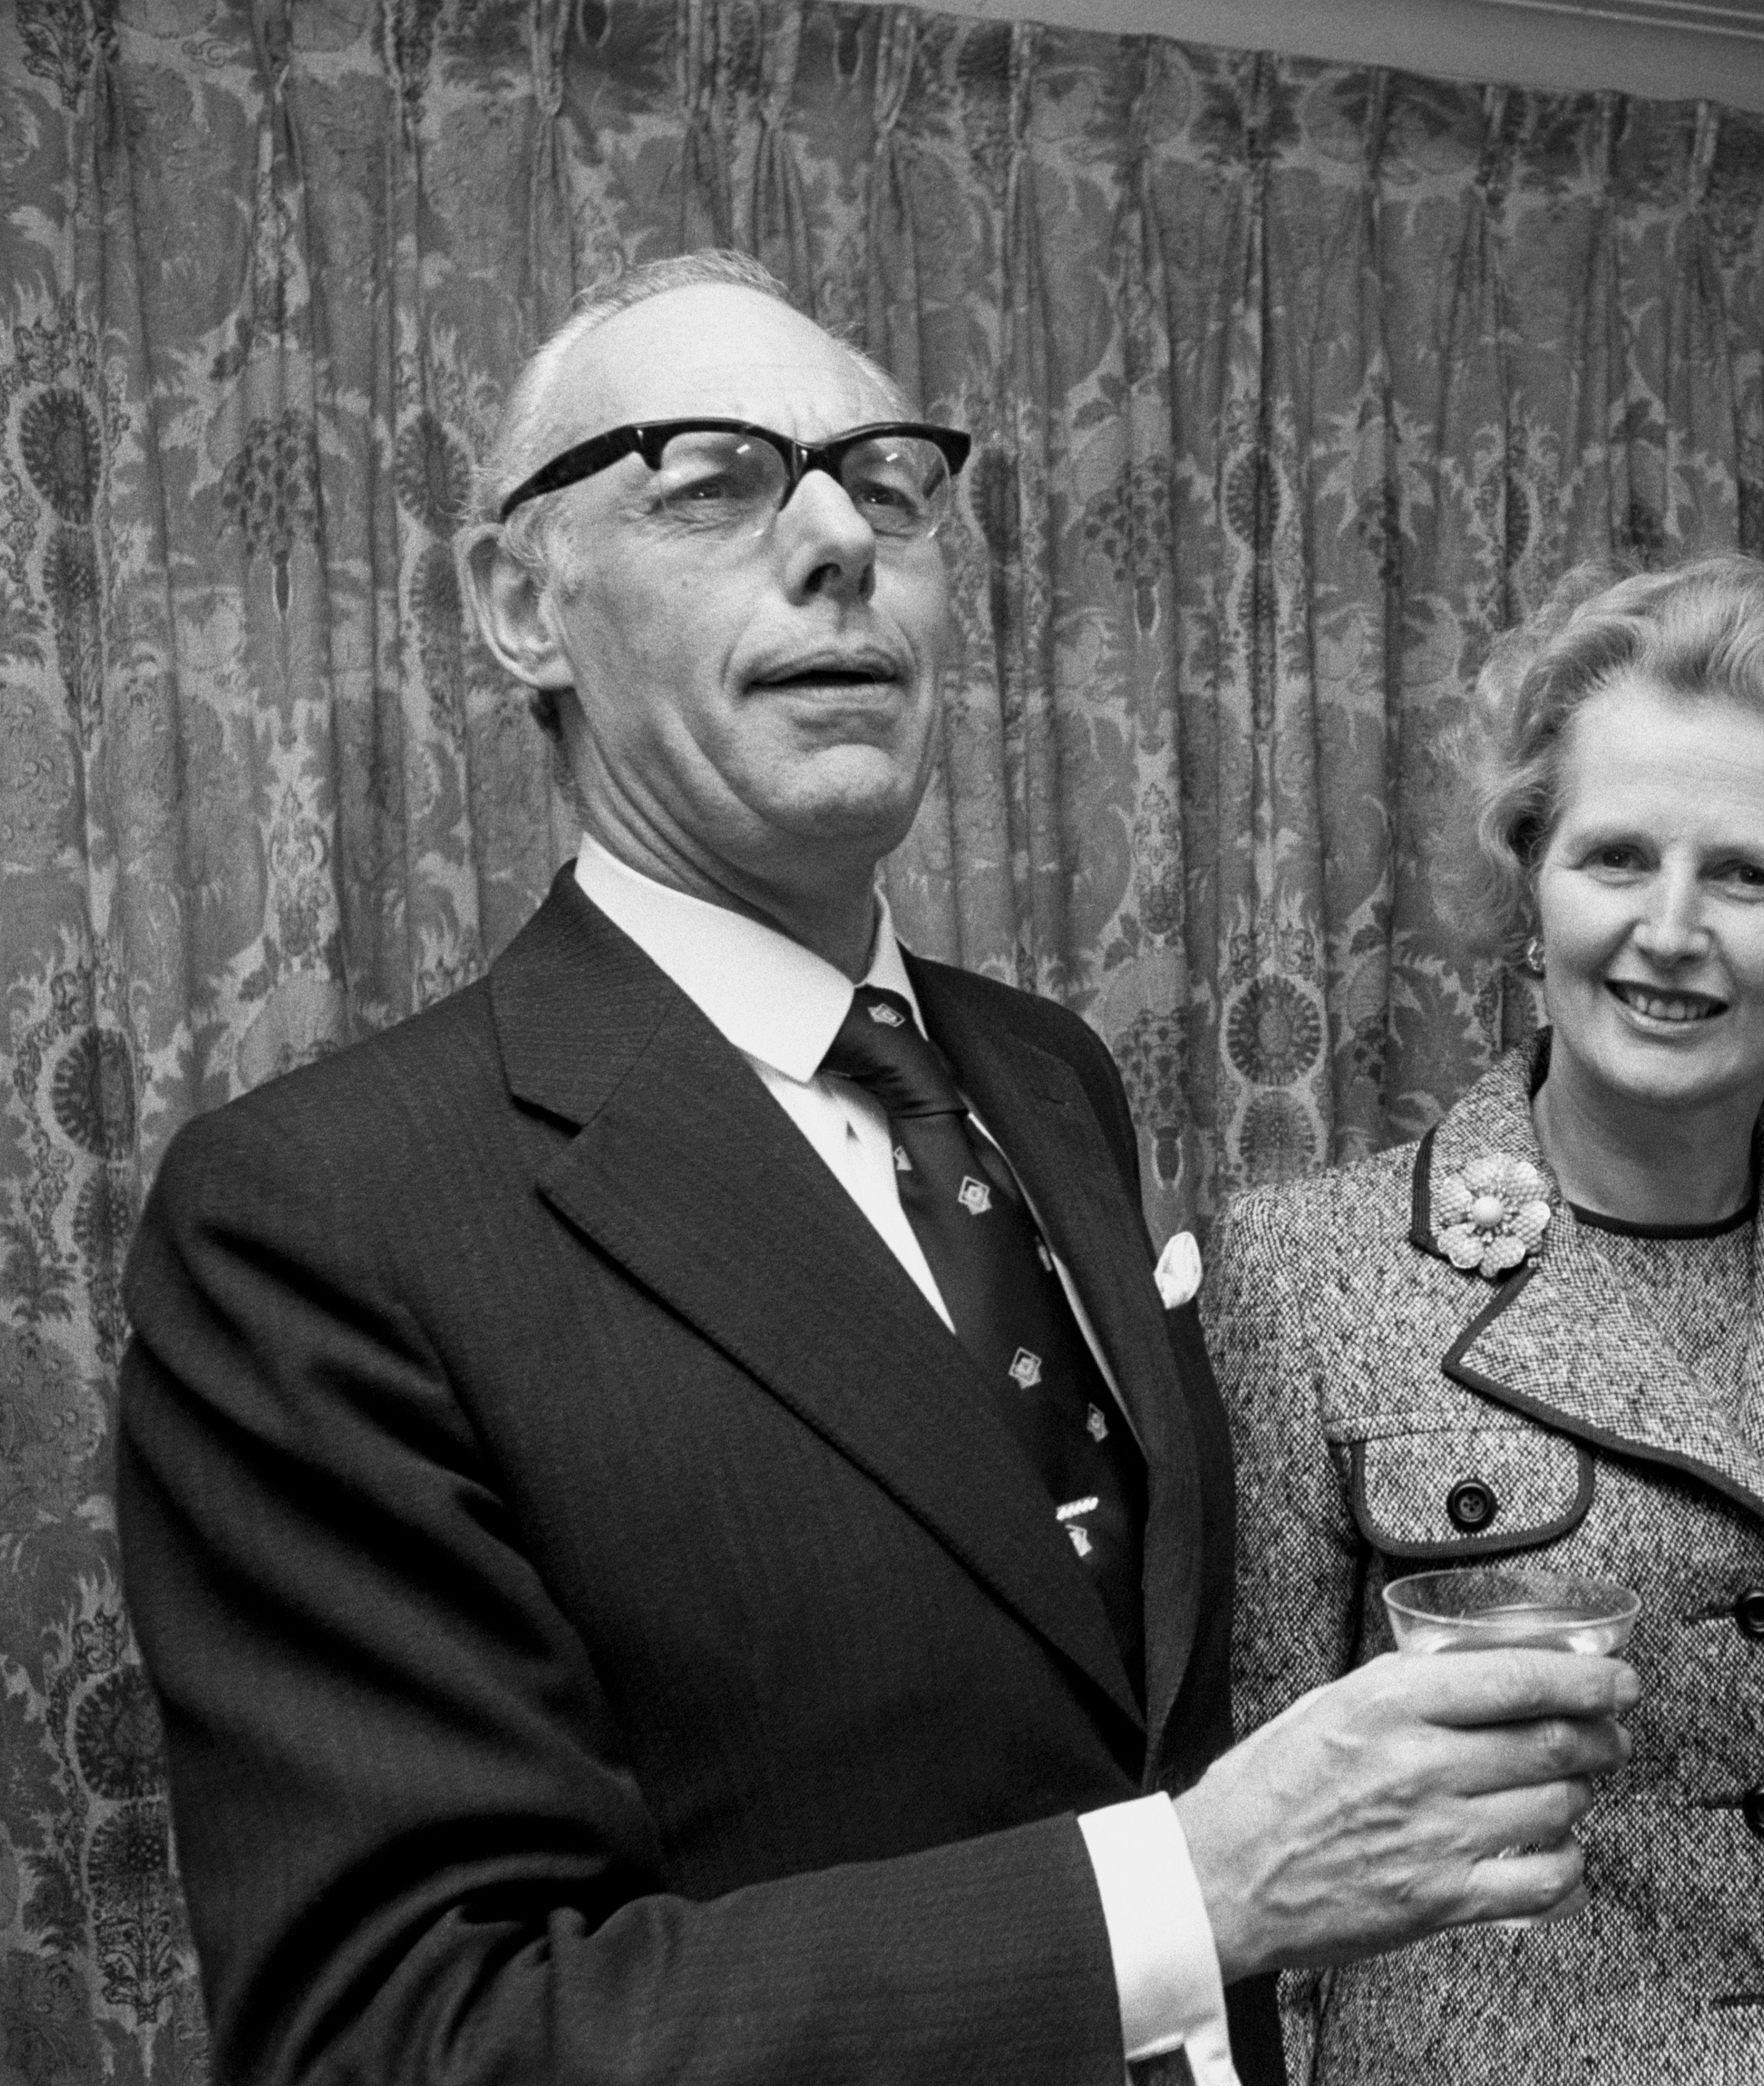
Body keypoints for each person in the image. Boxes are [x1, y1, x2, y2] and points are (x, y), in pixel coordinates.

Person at [115, 250, 1634, 2086]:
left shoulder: (1045, 1074)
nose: (838, 534)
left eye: (890, 479)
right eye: (715, 477)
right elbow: (406, 2037)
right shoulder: (321, 1212)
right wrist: (1194, 1891)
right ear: (522, 600)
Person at [1208, 556, 1764, 2084]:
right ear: (1530, 892)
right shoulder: (1304, 1271)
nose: (1672, 929)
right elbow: (1260, 1841)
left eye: (1745, 874)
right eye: (1615, 857)